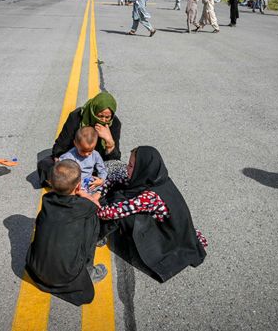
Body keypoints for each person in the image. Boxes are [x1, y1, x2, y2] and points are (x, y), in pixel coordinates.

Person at [95, 146, 207, 282]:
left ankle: (97, 235)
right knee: (121, 191)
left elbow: (114, 212)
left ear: (142, 168)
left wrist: (92, 205)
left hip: (168, 238)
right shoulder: (157, 178)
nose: (127, 169)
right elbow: (120, 180)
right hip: (177, 228)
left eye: (131, 166)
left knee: (121, 211)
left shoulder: (150, 197)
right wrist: (103, 189)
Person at [25, 160, 107, 306]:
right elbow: (96, 205)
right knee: (92, 218)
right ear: (78, 185)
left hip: (36, 269)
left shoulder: (47, 200)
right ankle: (88, 270)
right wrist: (83, 193)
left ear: (51, 183)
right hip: (66, 276)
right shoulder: (83, 206)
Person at [37, 92, 121, 187]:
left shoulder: (114, 123)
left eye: (107, 117)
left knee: (120, 170)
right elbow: (60, 146)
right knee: (45, 165)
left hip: (97, 163)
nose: (103, 120)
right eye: (100, 116)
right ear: (93, 111)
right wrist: (66, 166)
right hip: (73, 160)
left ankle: (71, 185)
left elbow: (115, 159)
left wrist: (109, 142)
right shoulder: (76, 117)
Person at [59, 126, 108, 192]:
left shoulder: (95, 155)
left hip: (89, 184)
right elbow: (59, 168)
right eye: (83, 151)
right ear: (75, 144)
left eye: (90, 150)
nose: (87, 154)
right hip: (74, 185)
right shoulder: (70, 156)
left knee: (106, 186)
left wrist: (101, 180)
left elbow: (102, 169)